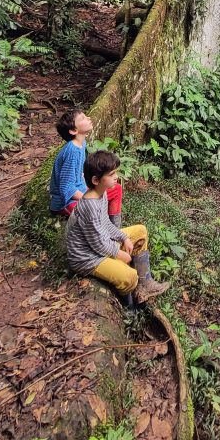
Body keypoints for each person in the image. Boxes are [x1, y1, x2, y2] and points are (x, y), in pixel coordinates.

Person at [66, 149, 169, 306]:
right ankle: (129, 309)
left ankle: (145, 284)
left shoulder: (102, 193)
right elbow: (97, 244)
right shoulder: (89, 206)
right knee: (129, 276)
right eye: (111, 174)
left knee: (140, 231)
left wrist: (124, 237)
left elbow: (106, 223)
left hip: (100, 244)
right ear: (96, 180)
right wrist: (118, 254)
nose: (116, 177)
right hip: (87, 258)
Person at [48, 109, 123, 225]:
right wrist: (92, 197)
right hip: (66, 202)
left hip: (82, 189)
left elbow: (81, 174)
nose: (88, 118)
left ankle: (115, 228)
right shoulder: (72, 151)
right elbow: (66, 189)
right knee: (92, 211)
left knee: (116, 189)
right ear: (73, 130)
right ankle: (104, 233)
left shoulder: (81, 144)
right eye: (83, 118)